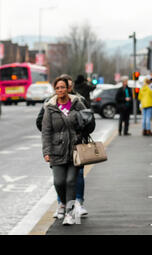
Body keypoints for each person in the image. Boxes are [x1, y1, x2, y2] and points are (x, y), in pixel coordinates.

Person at [36, 74, 90, 219]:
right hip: (57, 151)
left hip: (75, 150)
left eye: (63, 87)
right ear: (55, 90)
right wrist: (46, 151)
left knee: (71, 181)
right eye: (57, 88)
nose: (60, 90)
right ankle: (64, 204)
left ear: (68, 88)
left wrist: (82, 130)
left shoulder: (77, 103)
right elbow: (46, 131)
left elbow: (89, 123)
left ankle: (70, 214)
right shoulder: (50, 107)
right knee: (59, 182)